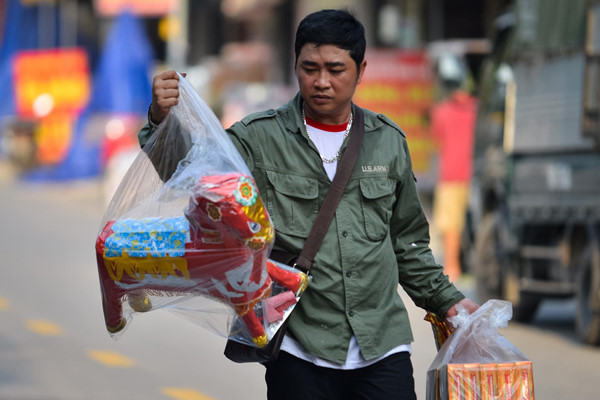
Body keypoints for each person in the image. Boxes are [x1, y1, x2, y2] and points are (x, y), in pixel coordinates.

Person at [139, 9, 479, 400]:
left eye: (336, 69)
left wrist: (449, 302)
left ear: (360, 69)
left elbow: (407, 244)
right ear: (295, 65)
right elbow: (195, 178)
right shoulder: (258, 138)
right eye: (310, 68)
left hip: (382, 345)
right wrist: (162, 121)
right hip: (299, 349)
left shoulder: (388, 142)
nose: (321, 82)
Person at [431, 55, 478, 282]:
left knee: (451, 226)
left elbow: (436, 137)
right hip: (474, 174)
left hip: (450, 175)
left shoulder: (441, 112)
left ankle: (453, 267)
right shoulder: (476, 109)